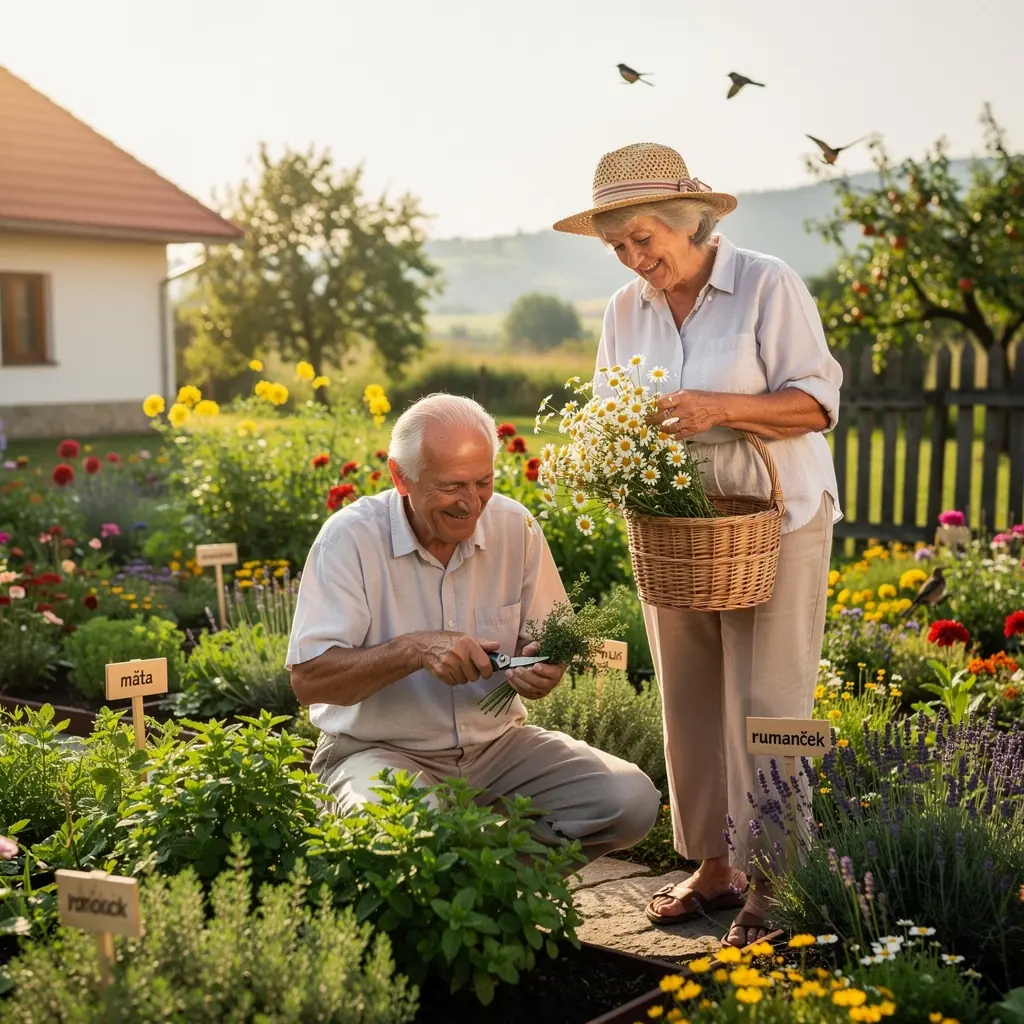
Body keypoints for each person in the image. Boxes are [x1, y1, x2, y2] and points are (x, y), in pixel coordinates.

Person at [553, 142, 843, 946]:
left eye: (644, 239)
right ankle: (714, 865)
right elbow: (613, 415)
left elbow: (817, 405)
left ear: (691, 221)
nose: (635, 259)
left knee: (773, 701)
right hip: (677, 529)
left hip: (775, 522)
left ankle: (780, 877)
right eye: (619, 247)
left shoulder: (764, 283)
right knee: (687, 696)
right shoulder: (626, 310)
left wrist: (717, 407)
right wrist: (606, 454)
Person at [286, 393, 660, 864]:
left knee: (628, 802)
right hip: (378, 750)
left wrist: (543, 662)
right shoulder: (350, 539)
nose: (470, 503)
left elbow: (548, 638)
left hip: (499, 747)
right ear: (401, 478)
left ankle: (494, 893)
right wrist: (414, 650)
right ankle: (454, 894)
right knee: (404, 834)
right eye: (451, 487)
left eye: (483, 482)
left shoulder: (514, 526)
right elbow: (308, 680)